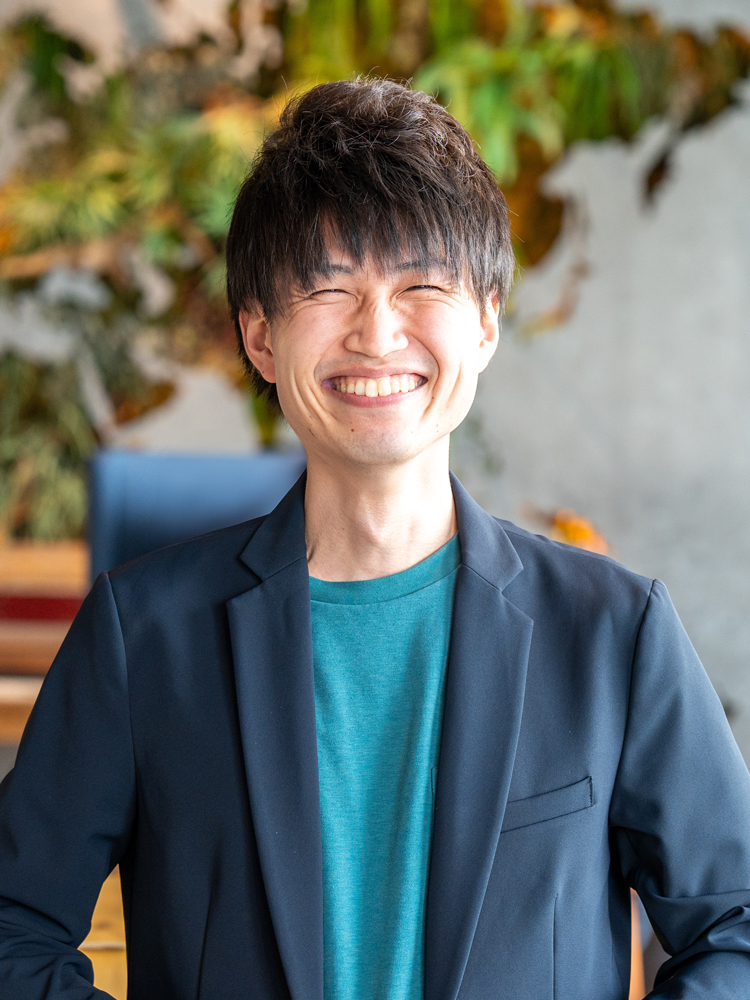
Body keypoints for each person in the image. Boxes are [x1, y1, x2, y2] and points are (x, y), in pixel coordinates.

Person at [1, 78, 750, 1000]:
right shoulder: (141, 634)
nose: (377, 332)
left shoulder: (613, 632)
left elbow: (734, 928)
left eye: (420, 284)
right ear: (261, 336)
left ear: (484, 323)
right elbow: (14, 925)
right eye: (328, 287)